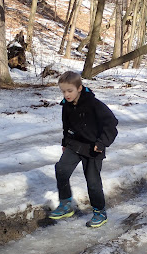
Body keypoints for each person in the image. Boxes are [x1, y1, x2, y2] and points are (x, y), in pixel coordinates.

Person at [49, 71, 118, 228]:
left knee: (93, 182)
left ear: (79, 88)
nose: (66, 94)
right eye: (63, 91)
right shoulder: (67, 105)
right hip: (75, 144)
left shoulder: (94, 105)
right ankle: (65, 204)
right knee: (61, 169)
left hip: (94, 148)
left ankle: (100, 212)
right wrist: (65, 142)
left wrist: (101, 143)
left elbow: (111, 124)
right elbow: (67, 125)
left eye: (69, 91)